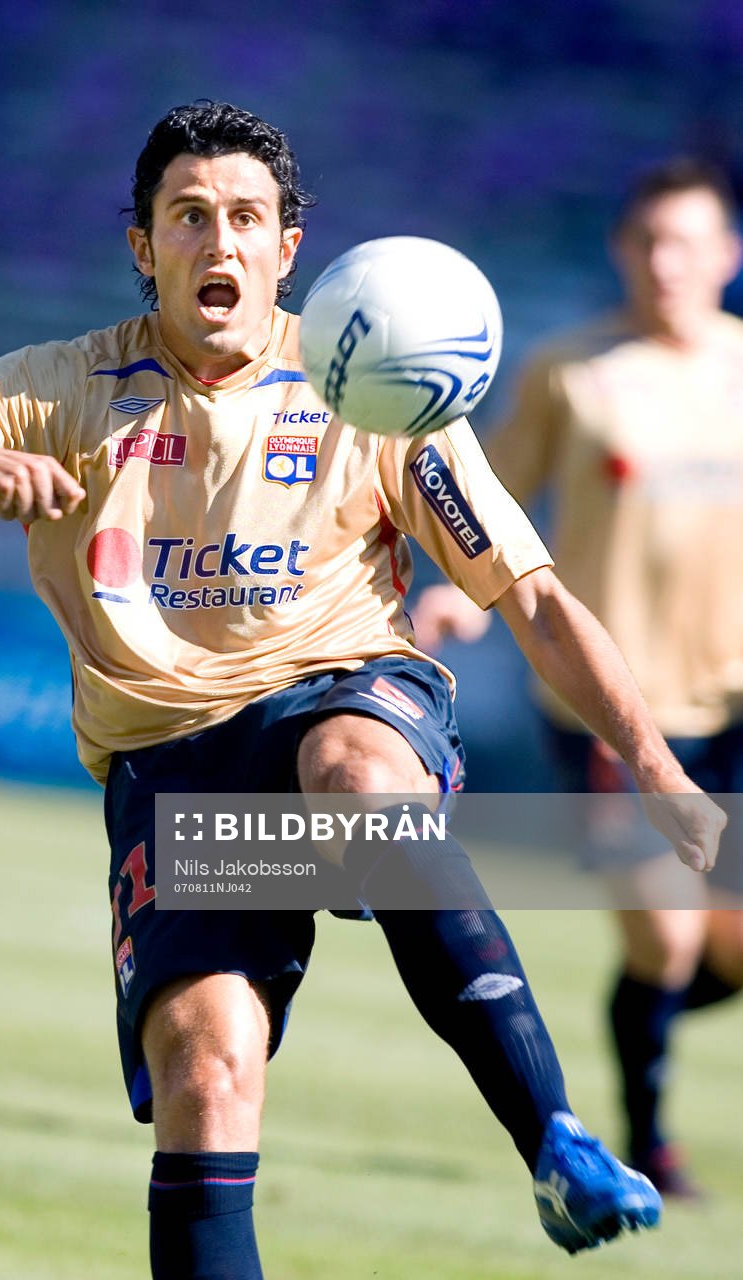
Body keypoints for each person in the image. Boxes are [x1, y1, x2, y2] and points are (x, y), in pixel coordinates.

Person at [0, 103, 723, 1275]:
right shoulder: (62, 384)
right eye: (188, 217)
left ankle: (552, 1134)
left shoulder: (376, 387)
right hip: (180, 780)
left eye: (246, 218)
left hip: (339, 696)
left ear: (289, 247)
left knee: (354, 776)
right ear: (145, 246)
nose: (217, 242)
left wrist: (654, 770)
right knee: (207, 1070)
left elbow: (531, 599)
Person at [413, 156, 743, 1200]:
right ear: (620, 250)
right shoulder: (572, 370)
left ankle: (632, 1042)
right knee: (669, 929)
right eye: (646, 240)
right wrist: (461, 600)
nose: (664, 262)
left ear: (728, 255)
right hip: (609, 708)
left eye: (686, 241)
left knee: (704, 953)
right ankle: (648, 1135)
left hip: (732, 701)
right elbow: (491, 502)